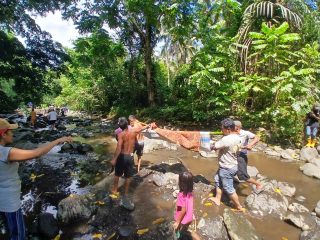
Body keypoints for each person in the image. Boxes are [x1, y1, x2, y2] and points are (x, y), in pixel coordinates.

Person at [0, 118, 72, 240]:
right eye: (10, 131)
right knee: (18, 235)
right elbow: (37, 153)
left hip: (2, 202)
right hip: (9, 204)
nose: (13, 134)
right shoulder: (6, 152)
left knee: (9, 229)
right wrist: (59, 140)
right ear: (3, 134)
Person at [111, 117, 151, 209]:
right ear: (127, 124)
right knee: (128, 176)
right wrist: (149, 125)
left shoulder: (120, 135)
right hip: (130, 157)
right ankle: (125, 193)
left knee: (117, 174)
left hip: (122, 157)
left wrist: (114, 159)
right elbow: (142, 128)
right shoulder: (134, 131)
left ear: (120, 126)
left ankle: (114, 191)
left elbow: (118, 148)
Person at [209, 118, 243, 211]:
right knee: (218, 180)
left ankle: (239, 206)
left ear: (228, 129)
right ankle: (217, 199)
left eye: (222, 128)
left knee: (229, 188)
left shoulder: (227, 139)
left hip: (227, 167)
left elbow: (213, 147)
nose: (221, 130)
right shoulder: (238, 137)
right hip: (231, 165)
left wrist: (206, 142)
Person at [234, 121, 262, 192]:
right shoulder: (231, 133)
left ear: (237, 127)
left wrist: (251, 144)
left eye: (232, 126)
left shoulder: (245, 133)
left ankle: (258, 184)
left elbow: (257, 137)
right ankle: (249, 183)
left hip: (241, 156)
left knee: (242, 175)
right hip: (233, 155)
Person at [173, 172, 201, 240]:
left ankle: (177, 237)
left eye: (180, 181)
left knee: (181, 229)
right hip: (189, 217)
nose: (179, 182)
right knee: (186, 230)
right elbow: (185, 206)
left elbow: (183, 209)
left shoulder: (182, 195)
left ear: (182, 184)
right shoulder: (190, 194)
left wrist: (177, 220)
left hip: (183, 219)